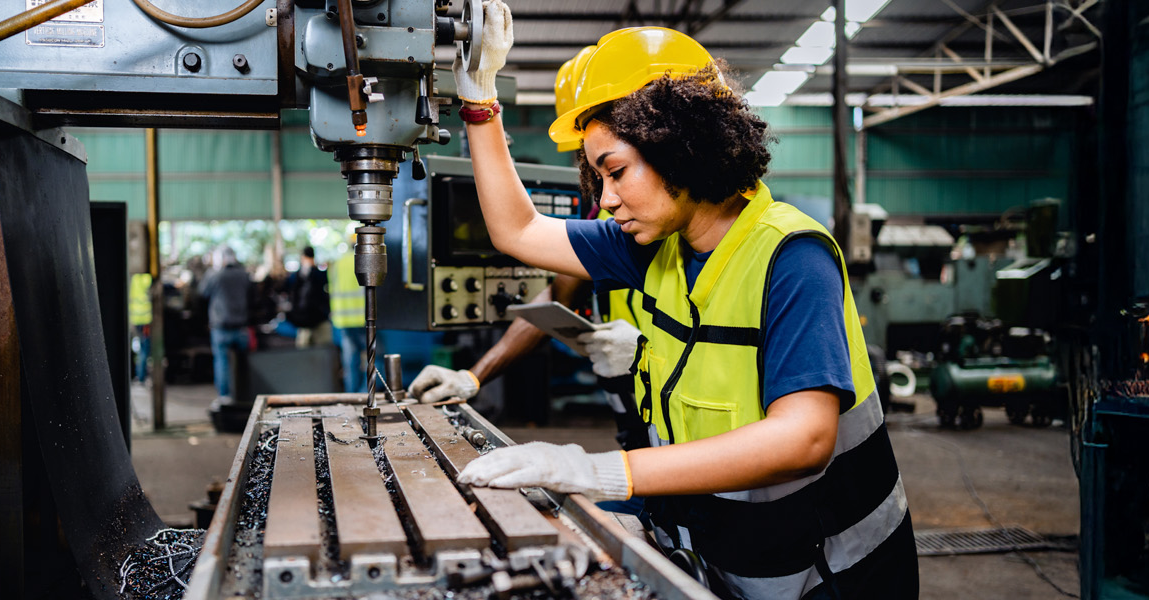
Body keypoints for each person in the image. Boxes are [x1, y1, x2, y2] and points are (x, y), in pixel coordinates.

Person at [449, 11, 918, 599]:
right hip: (728, 558)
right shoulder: (652, 244)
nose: (608, 201)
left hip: (834, 575)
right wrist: (479, 99)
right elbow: (517, 230)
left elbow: (804, 438)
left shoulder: (792, 256)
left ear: (679, 146)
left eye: (615, 172)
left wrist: (598, 470)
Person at [409, 44, 650, 451]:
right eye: (596, 175)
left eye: (617, 171)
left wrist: (648, 354)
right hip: (635, 413)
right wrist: (473, 377)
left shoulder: (778, 256)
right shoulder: (619, 234)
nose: (606, 198)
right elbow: (546, 288)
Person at [196, 246, 252, 406]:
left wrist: (211, 271)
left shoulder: (216, 276)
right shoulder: (244, 275)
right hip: (241, 325)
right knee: (243, 362)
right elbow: (253, 296)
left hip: (221, 326)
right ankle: (244, 394)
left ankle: (225, 397)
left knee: (222, 362)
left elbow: (202, 293)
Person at [329, 240, 369, 392]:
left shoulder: (338, 263)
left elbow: (331, 287)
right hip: (362, 319)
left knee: (350, 360)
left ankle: (352, 394)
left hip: (343, 320)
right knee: (372, 358)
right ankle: (365, 392)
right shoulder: (366, 261)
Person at [284, 246, 332, 348]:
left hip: (305, 319)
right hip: (318, 318)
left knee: (304, 350)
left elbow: (287, 287)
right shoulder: (318, 274)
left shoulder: (297, 275)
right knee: (323, 351)